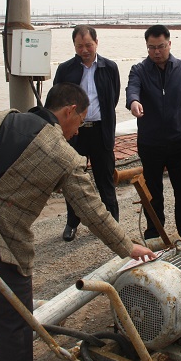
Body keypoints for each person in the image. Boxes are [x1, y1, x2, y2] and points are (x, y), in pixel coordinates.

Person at [0, 83, 155, 361]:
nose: (77, 131)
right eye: (80, 121)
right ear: (70, 111)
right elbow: (91, 210)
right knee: (14, 323)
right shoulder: (63, 155)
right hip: (5, 247)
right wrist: (127, 246)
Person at [126, 25, 181, 240]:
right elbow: (132, 89)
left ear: (169, 44)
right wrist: (134, 102)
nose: (156, 52)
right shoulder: (139, 70)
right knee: (153, 191)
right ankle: (155, 232)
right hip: (150, 142)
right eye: (151, 47)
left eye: (160, 46)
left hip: (180, 140)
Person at [54, 25, 120, 242]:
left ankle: (112, 224)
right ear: (74, 45)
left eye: (88, 45)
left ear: (96, 43)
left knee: (105, 179)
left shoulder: (109, 67)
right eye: (79, 46)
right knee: (73, 180)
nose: (84, 50)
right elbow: (57, 101)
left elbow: (113, 99)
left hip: (101, 131)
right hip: (75, 133)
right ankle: (72, 223)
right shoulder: (65, 69)